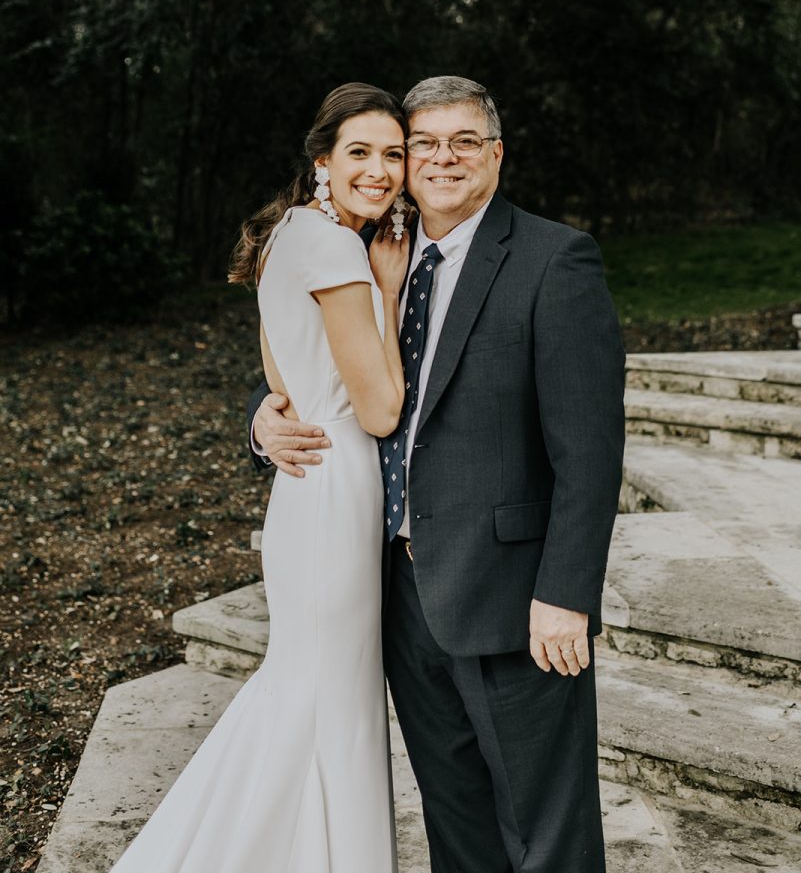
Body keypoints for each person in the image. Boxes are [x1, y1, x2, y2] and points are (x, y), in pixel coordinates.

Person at [251, 75, 626, 873]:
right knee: (454, 822)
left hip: (510, 597)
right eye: (424, 142)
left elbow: (589, 452)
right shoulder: (370, 249)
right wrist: (262, 418)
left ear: (494, 154)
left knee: (546, 832)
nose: (441, 157)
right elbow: (319, 366)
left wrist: (564, 596)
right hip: (390, 587)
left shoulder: (553, 260)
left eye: (463, 141)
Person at [108, 83, 411, 873]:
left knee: (309, 686)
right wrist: (386, 288)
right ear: (322, 162)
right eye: (359, 152)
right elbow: (378, 410)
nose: (379, 170)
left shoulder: (286, 234)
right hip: (337, 478)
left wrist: (275, 416)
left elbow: (279, 378)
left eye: (392, 154)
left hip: (303, 487)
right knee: (326, 697)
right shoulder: (341, 248)